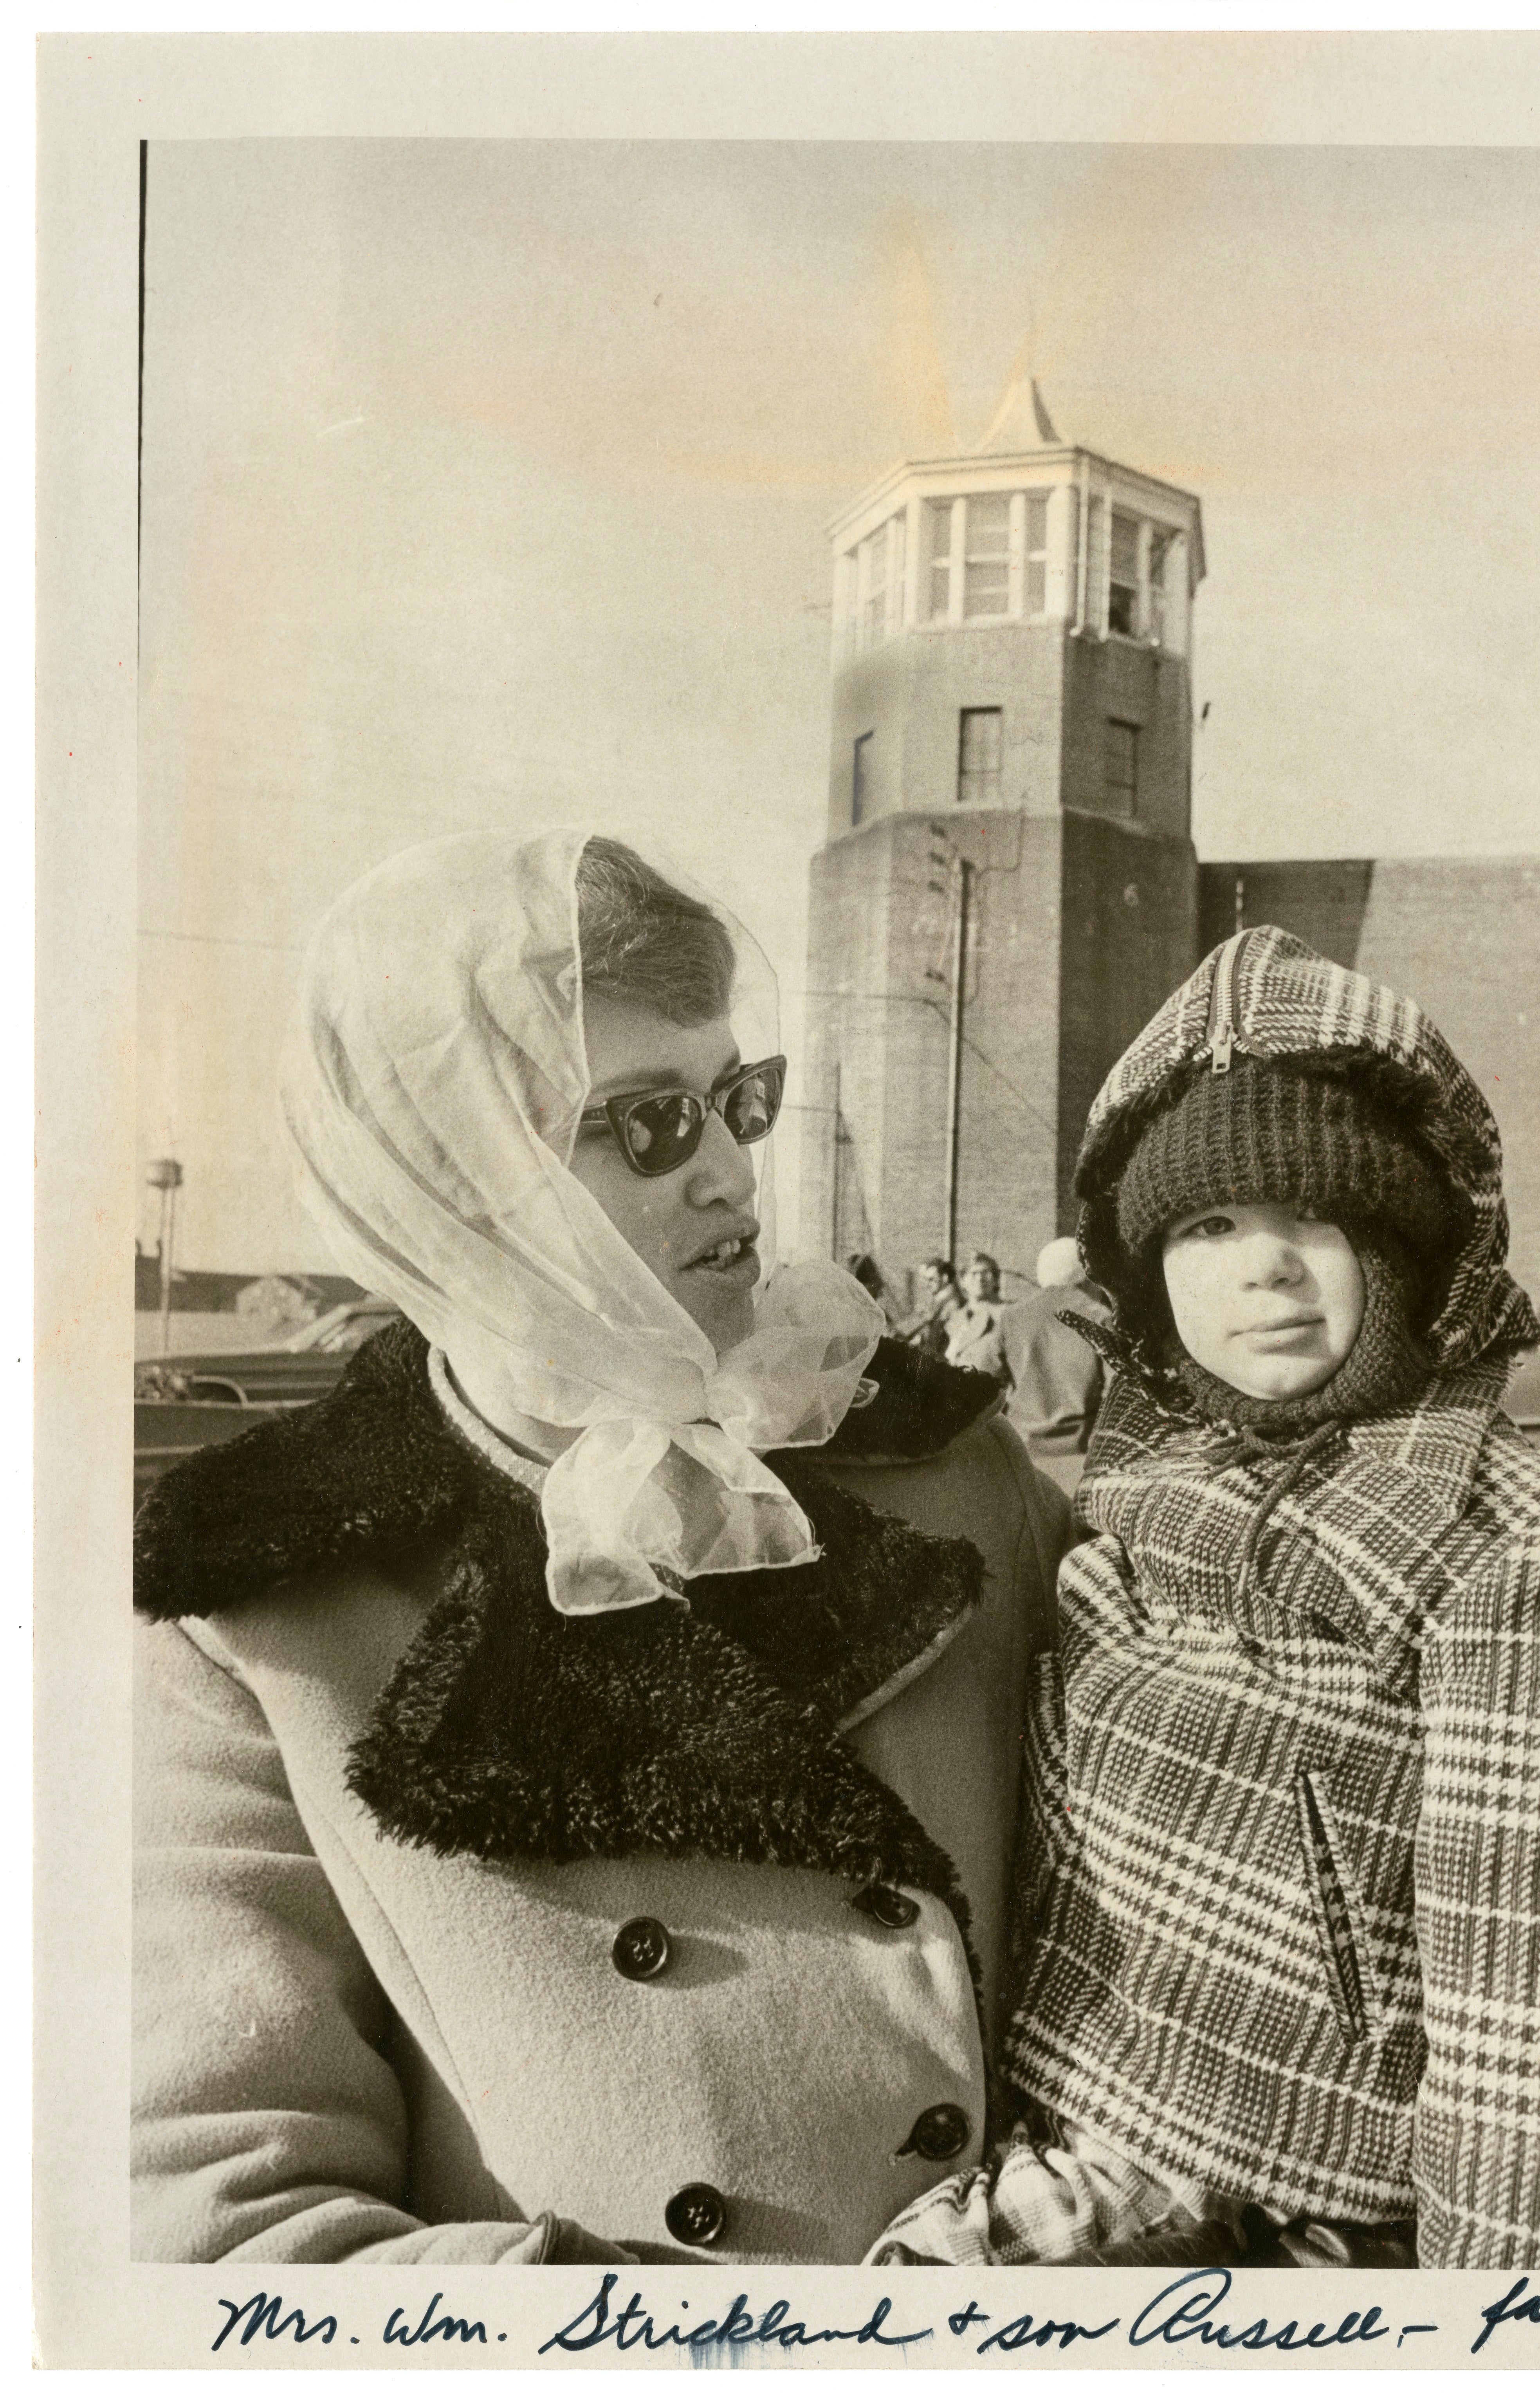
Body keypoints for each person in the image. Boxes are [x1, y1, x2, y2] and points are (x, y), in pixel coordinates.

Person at [131, 826, 1068, 2266]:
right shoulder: (260, 1608)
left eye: (735, 1101)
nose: (731, 1180)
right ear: (453, 1174)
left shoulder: (948, 1470)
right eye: (645, 1122)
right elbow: (223, 2209)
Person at [872, 925, 1540, 2272]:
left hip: (1302, 2225)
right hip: (1057, 2156)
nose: (1262, 1265)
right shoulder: (1120, 1515)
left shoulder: (1517, 1558)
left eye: (1315, 1213)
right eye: (1209, 1224)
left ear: (1404, 1244)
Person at [999, 1237, 1111, 1495]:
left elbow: (983, 1379)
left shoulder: (1012, 1316)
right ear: (1087, 1274)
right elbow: (1118, 1388)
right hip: (1082, 1451)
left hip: (1023, 1448)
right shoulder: (1099, 1315)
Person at [942, 1253, 1010, 1383]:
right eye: (973, 1274)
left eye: (986, 1273)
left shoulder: (1007, 1314)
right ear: (963, 1282)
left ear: (996, 1281)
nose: (980, 1279)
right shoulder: (955, 1318)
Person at [899, 1255, 961, 1356]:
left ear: (945, 1278)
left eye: (931, 1280)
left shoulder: (952, 1305)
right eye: (926, 1280)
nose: (926, 1285)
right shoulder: (937, 1302)